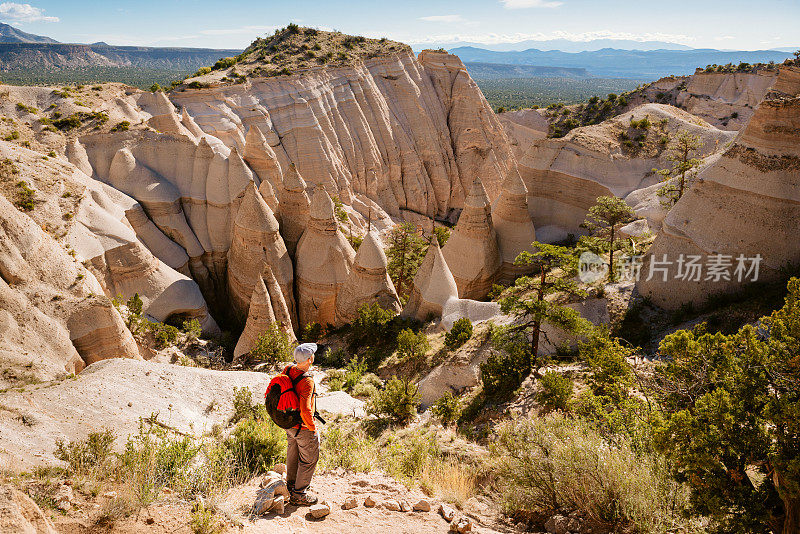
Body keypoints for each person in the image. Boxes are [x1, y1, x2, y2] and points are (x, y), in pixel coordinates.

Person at [284, 343, 320, 506]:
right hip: (303, 427)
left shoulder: (288, 369)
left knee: (293, 454)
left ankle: (291, 485)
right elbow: (306, 409)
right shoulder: (307, 381)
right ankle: (299, 495)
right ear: (310, 359)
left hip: (288, 424)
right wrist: (312, 428)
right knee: (309, 459)